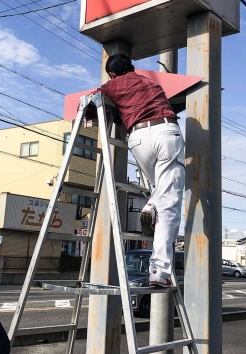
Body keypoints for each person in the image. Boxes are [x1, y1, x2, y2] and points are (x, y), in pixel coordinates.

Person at [94, 53, 185, 288]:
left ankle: (153, 203)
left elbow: (93, 103)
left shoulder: (110, 85)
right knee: (170, 205)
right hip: (166, 132)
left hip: (138, 138)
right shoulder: (150, 82)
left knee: (161, 192)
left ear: (112, 73)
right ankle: (159, 271)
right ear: (132, 67)